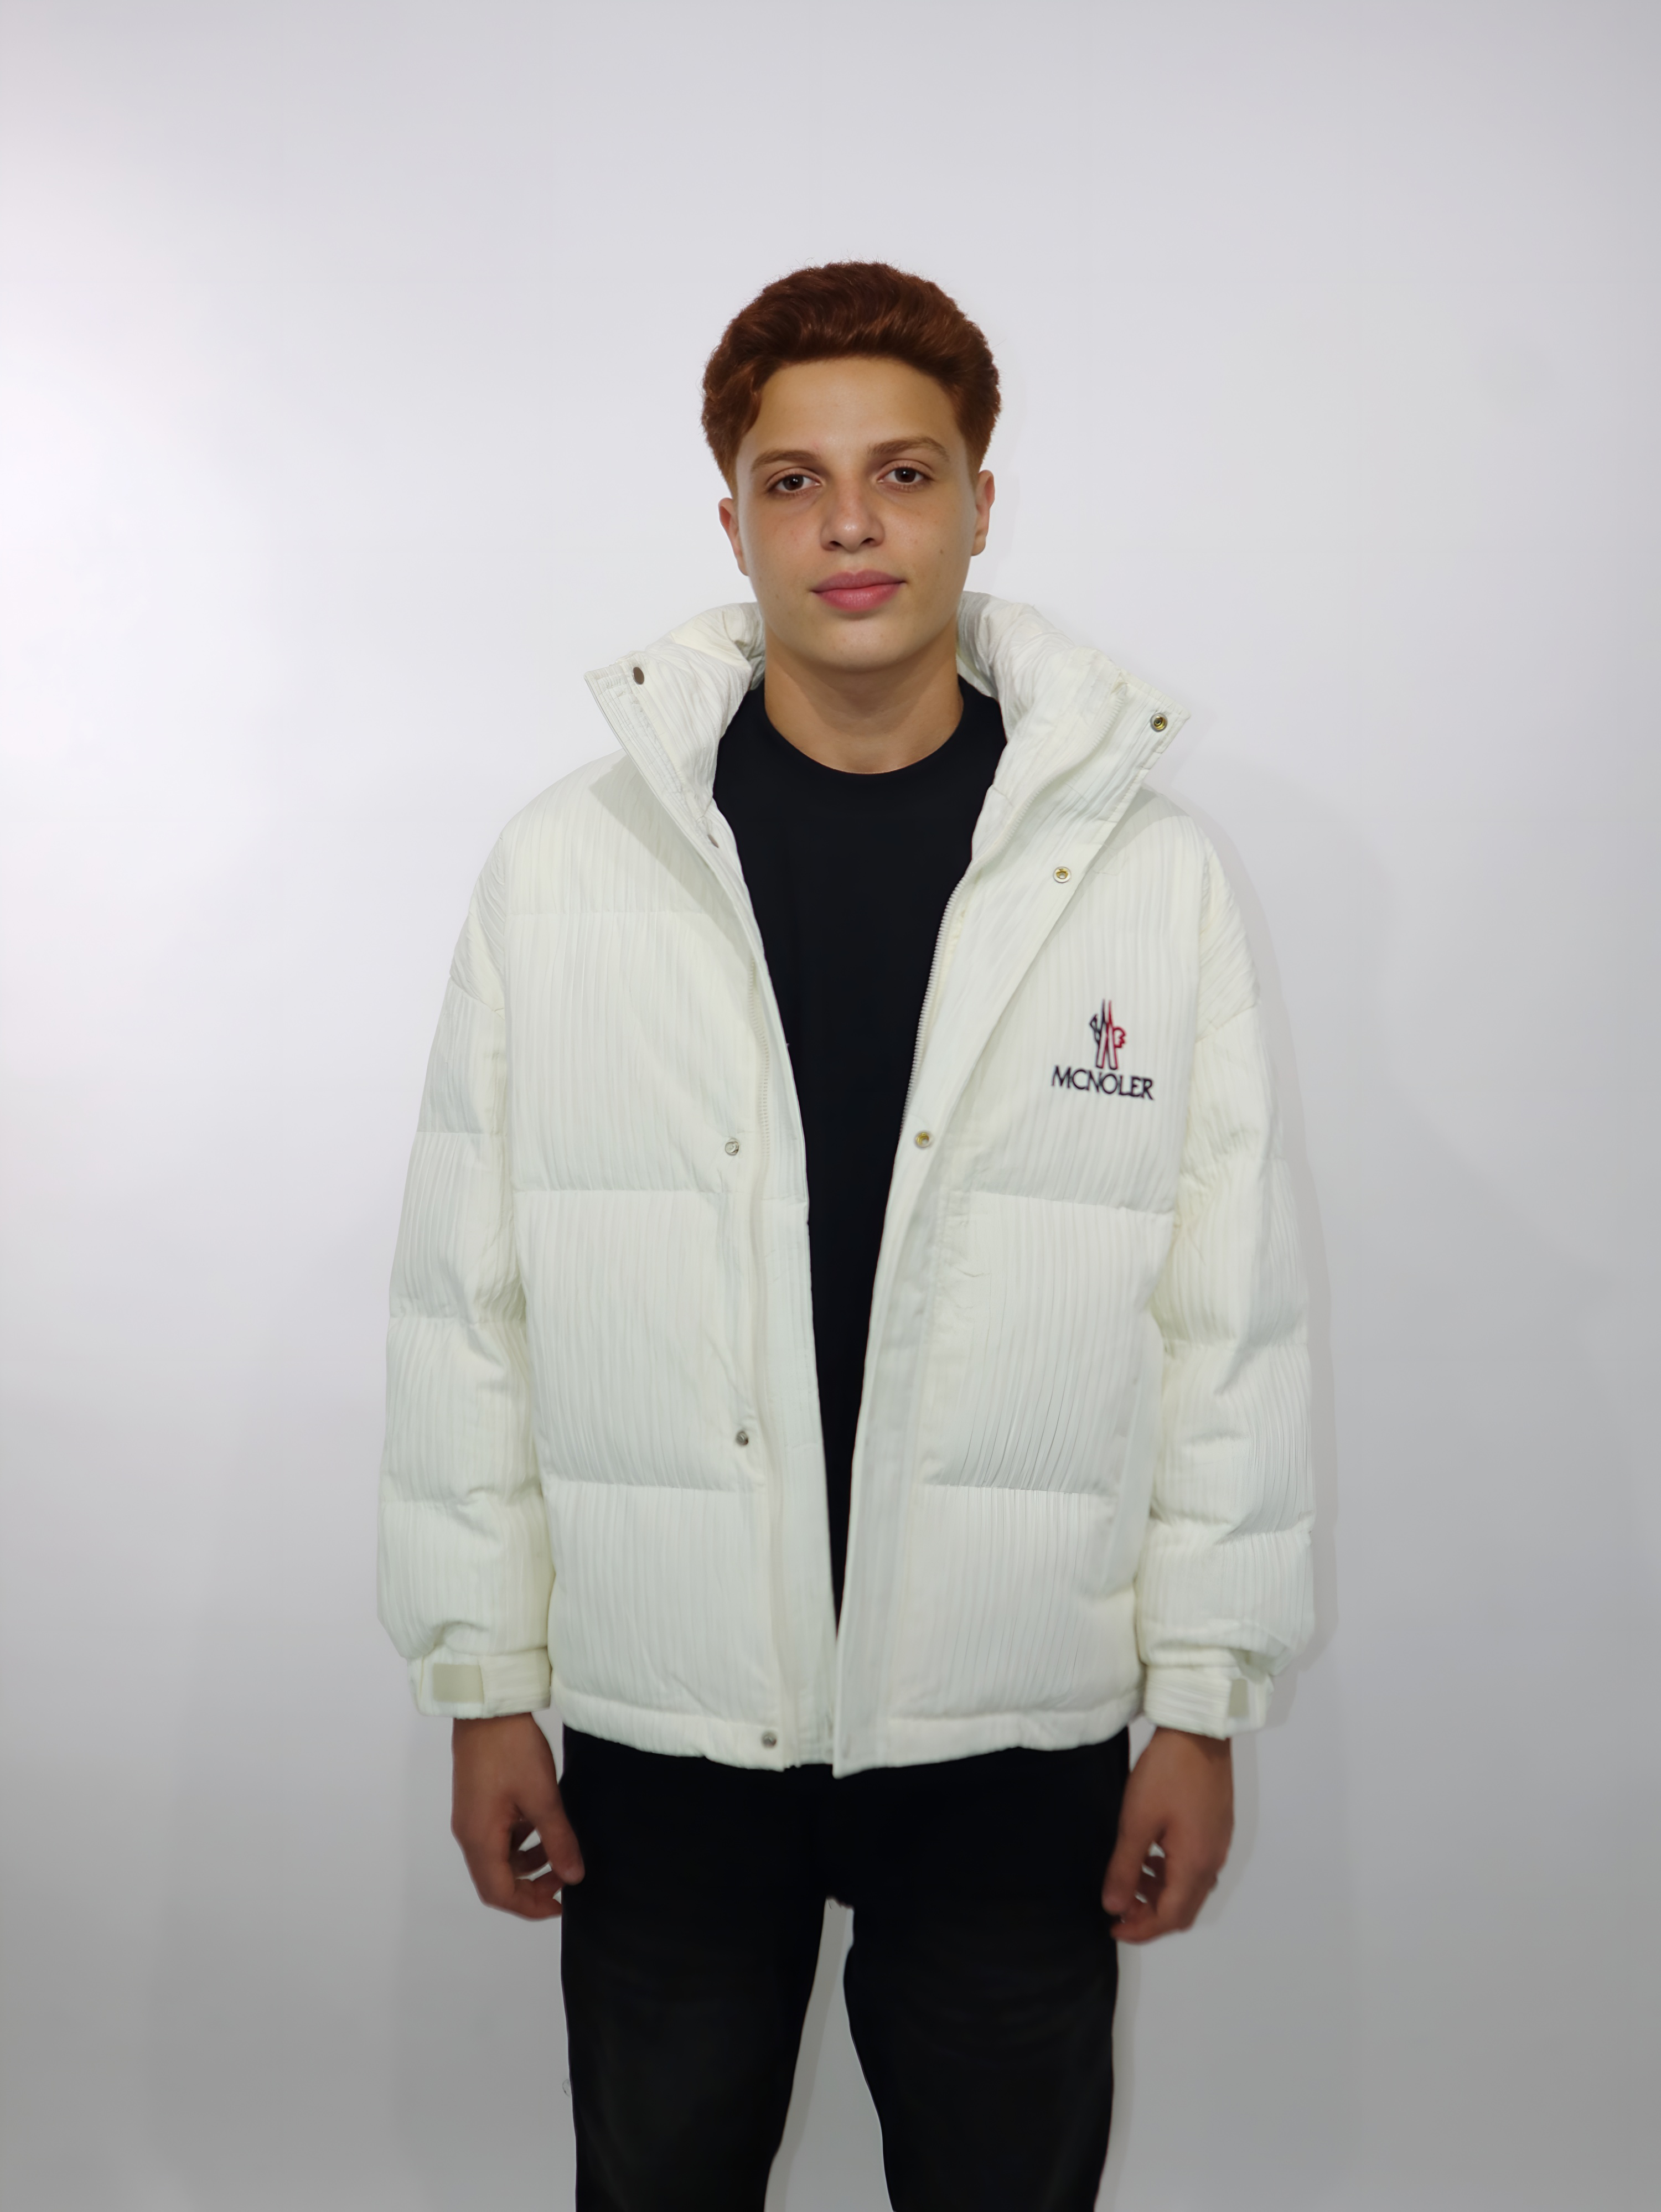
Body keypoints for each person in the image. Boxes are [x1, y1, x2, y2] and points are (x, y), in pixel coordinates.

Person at [377, 261, 1313, 2211]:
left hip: (1011, 1721)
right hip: (669, 1716)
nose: (853, 526)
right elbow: (467, 1305)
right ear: (732, 521)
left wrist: (1203, 1702)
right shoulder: (571, 871)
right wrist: (482, 1679)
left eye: (904, 472)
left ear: (981, 501)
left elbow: (1228, 1322)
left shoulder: (1147, 881)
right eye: (794, 483)